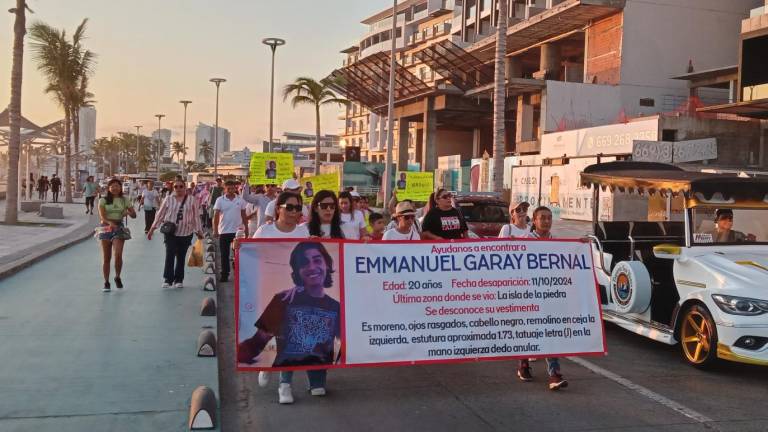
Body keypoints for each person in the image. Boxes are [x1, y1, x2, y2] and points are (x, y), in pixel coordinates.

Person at [238, 241, 340, 404]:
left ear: (327, 264)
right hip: (287, 359)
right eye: (304, 263)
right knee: (290, 351)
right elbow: (258, 340)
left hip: (319, 361)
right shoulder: (283, 300)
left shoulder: (336, 307)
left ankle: (316, 379)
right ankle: (283, 383)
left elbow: (346, 343)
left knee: (318, 390)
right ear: (297, 271)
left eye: (317, 260)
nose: (312, 267)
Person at [518, 206, 568, 390]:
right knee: (528, 331)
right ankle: (523, 363)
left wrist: (581, 244)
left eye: (549, 218)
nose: (546, 221)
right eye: (542, 218)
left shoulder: (557, 241)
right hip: (528, 294)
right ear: (534, 220)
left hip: (549, 294)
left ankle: (554, 374)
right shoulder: (525, 240)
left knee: (550, 331)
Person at [148, 180, 204, 289]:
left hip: (186, 233)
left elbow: (196, 217)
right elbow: (160, 214)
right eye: (176, 187)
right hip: (171, 233)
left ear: (185, 187)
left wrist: (198, 230)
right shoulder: (168, 199)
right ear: (173, 188)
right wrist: (152, 228)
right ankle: (168, 279)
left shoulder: (192, 200)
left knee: (181, 256)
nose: (178, 188)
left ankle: (179, 279)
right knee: (170, 254)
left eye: (181, 186)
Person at [97, 178, 137, 292]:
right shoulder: (103, 200)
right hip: (105, 228)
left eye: (117, 186)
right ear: (109, 188)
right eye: (112, 186)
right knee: (106, 257)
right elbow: (102, 216)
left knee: (118, 254)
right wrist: (110, 223)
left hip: (119, 228)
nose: (115, 188)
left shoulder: (124, 200)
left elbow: (134, 215)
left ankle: (117, 276)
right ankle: (106, 282)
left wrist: (128, 212)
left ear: (120, 188)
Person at [213, 180, 249, 282]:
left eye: (232, 188)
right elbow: (215, 217)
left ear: (235, 188)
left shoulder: (240, 200)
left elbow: (244, 215)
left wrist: (246, 229)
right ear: (224, 189)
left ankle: (240, 275)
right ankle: (225, 274)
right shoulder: (220, 200)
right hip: (224, 231)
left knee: (238, 254)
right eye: (228, 188)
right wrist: (215, 230)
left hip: (237, 232)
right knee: (224, 255)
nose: (230, 190)